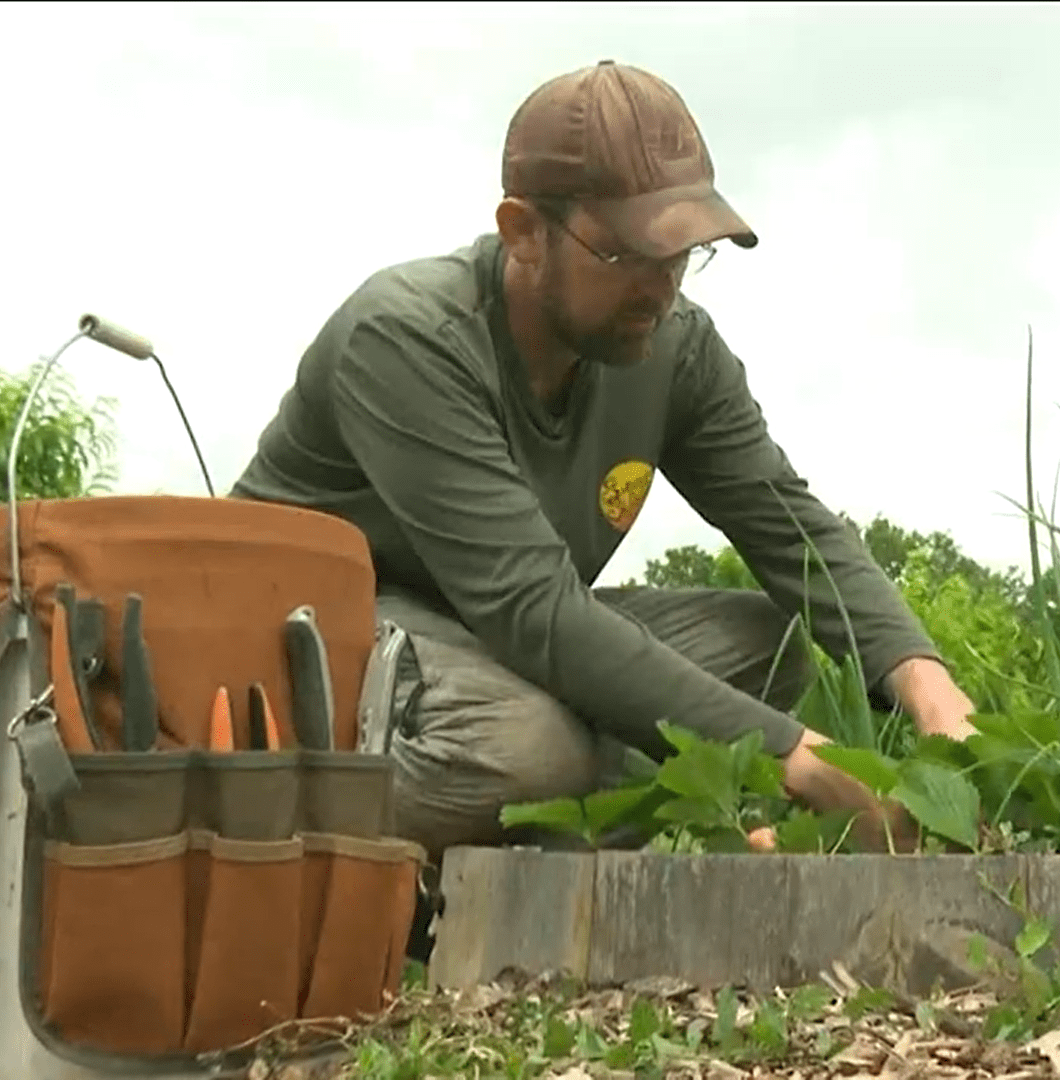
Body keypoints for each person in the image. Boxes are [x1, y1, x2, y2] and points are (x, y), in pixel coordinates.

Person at [231, 59, 978, 866]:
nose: (660, 288)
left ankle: (570, 820)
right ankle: (302, 854)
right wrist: (797, 759)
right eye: (628, 255)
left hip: (483, 646)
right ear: (523, 232)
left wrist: (927, 687)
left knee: (762, 645)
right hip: (328, 635)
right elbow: (534, 612)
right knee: (528, 750)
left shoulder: (671, 349)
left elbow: (790, 527)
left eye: (682, 255)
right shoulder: (409, 337)